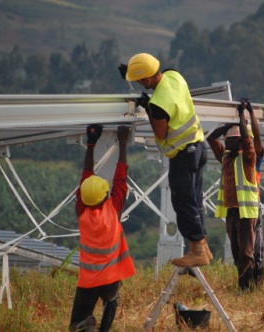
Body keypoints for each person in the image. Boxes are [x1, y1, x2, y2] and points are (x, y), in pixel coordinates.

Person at [118, 53, 211, 267]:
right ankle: (203, 246)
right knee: (195, 200)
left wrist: (149, 108)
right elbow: (162, 85)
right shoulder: (173, 75)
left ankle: (197, 250)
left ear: (148, 80)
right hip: (198, 147)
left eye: (140, 81)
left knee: (183, 201)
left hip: (182, 155)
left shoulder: (158, 104)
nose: (141, 85)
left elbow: (160, 133)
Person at [69, 124, 136, 332]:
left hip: (87, 280)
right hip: (110, 278)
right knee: (112, 301)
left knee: (75, 325)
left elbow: (86, 174)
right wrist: (123, 143)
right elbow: (120, 176)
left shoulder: (82, 212)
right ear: (105, 197)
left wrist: (91, 142)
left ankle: (85, 326)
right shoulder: (113, 209)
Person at [206, 100, 259, 291]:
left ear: (238, 142)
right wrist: (228, 125)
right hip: (232, 212)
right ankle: (245, 285)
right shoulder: (226, 157)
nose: (226, 142)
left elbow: (247, 140)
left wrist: (242, 118)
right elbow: (211, 139)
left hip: (246, 213)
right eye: (227, 140)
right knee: (237, 252)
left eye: (230, 139)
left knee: (246, 253)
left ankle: (246, 289)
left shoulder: (248, 157)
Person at [242, 98, 264, 286]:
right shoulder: (235, 158)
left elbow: (257, 138)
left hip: (253, 207)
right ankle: (249, 283)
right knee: (247, 248)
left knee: (255, 248)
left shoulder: (254, 158)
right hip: (240, 209)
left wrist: (249, 114)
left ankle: (256, 282)